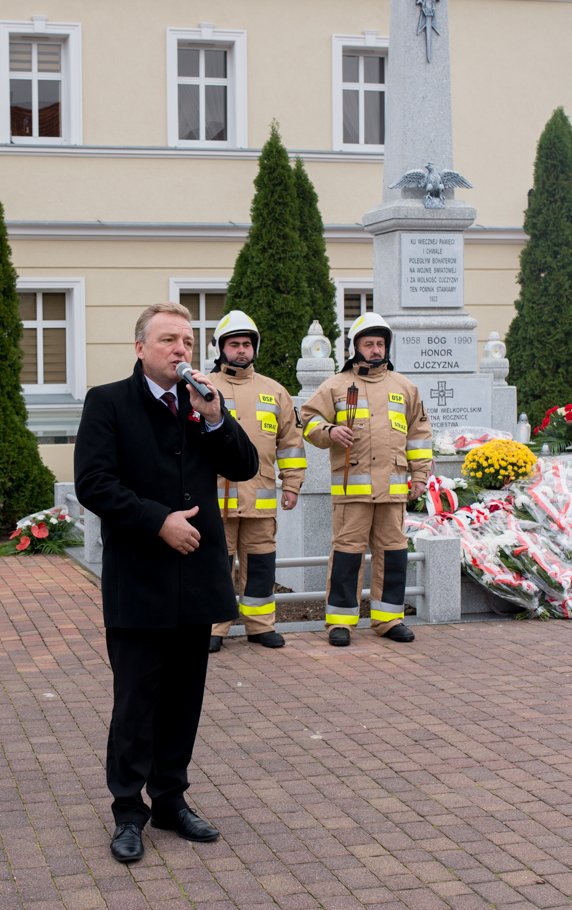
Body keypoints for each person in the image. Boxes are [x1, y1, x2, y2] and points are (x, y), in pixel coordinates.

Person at [74, 302, 258, 863]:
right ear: (140, 349)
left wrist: (217, 416)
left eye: (186, 340)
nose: (181, 349)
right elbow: (93, 484)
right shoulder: (107, 402)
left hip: (195, 578)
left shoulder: (200, 403)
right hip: (140, 578)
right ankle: (129, 811)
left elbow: (245, 466)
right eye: (168, 340)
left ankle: (172, 799)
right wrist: (158, 520)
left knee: (184, 699)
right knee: (136, 700)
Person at [300, 312, 432, 647]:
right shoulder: (335, 385)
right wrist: (329, 430)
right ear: (355, 347)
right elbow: (308, 421)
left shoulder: (405, 387)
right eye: (368, 343)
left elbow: (419, 436)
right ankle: (340, 623)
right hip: (352, 491)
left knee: (394, 552)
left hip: (393, 488)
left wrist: (420, 476)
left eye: (380, 344)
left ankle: (389, 619)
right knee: (347, 554)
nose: (375, 349)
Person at [207, 311, 306, 652]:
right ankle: (213, 628)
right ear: (221, 349)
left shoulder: (275, 392)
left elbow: (291, 444)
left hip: (261, 501)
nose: (241, 351)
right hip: (216, 499)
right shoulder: (203, 388)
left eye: (246, 344)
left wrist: (292, 484)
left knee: (261, 565)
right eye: (233, 344)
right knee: (216, 566)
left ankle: (260, 627)